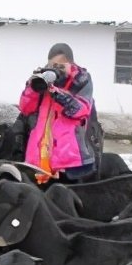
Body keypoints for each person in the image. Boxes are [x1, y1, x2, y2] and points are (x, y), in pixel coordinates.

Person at [18, 43, 99, 184]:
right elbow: (26, 108)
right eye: (53, 65)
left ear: (71, 64)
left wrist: (58, 93)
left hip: (69, 158)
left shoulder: (81, 79)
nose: (56, 70)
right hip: (40, 155)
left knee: (65, 199)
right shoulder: (43, 77)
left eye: (61, 66)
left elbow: (80, 110)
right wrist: (33, 87)